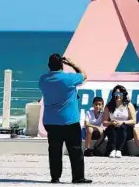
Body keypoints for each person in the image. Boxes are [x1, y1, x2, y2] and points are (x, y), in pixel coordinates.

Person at [39, 53, 92, 184]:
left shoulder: (43, 80)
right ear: (62, 65)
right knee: (75, 150)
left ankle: (55, 177)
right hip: (69, 121)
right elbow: (84, 75)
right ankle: (78, 177)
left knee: (54, 150)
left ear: (48, 66)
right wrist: (72, 64)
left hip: (51, 121)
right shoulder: (69, 79)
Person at [102, 84, 136, 158]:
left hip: (126, 129)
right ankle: (113, 150)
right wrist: (111, 122)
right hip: (113, 128)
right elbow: (104, 122)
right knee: (111, 128)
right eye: (116, 93)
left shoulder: (129, 105)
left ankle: (119, 150)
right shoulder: (109, 106)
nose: (118, 95)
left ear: (123, 94)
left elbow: (133, 121)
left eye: (120, 93)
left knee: (122, 127)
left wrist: (122, 122)